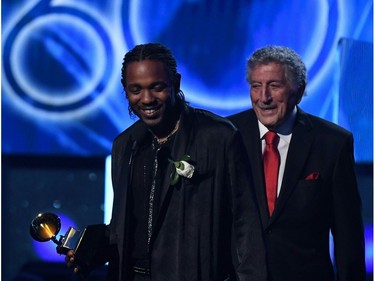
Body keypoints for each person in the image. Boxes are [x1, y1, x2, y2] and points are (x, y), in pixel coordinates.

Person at [65, 43, 267, 281]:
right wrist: (90, 250)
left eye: (157, 87)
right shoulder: (125, 145)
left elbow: (246, 227)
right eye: (136, 90)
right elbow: (125, 227)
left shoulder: (218, 137)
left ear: (176, 83)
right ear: (125, 90)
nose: (147, 98)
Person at [228, 45, 366, 281]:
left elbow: (347, 236)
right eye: (256, 86)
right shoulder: (227, 135)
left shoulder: (332, 143)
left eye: (274, 85)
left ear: (298, 91)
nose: (264, 98)